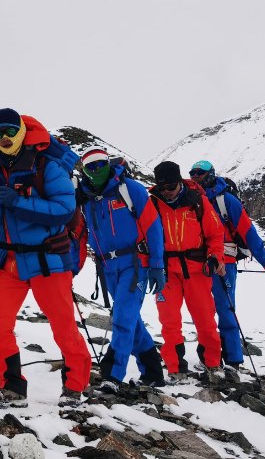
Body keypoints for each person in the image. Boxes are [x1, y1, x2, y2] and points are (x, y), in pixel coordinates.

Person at [0, 108, 91, 408]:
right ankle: (12, 387)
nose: (5, 138)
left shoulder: (46, 165)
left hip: (48, 260)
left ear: (21, 130)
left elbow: (63, 209)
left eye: (10, 131)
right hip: (7, 262)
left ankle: (75, 388)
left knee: (63, 326)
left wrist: (20, 202)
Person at [77, 148, 166, 392]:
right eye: (90, 167)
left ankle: (112, 374)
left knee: (123, 317)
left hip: (134, 262)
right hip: (106, 267)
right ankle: (152, 371)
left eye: (100, 165)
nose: (97, 171)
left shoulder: (131, 190)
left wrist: (157, 264)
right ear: (84, 170)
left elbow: (153, 227)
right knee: (131, 320)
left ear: (109, 164)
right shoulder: (83, 197)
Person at [189, 160, 265, 370]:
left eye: (199, 173)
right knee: (204, 311)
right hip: (199, 263)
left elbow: (249, 233)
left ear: (210, 174)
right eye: (192, 173)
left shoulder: (226, 200)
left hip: (225, 263)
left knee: (226, 309)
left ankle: (233, 359)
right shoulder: (193, 199)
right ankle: (208, 355)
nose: (195, 177)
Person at [150, 161, 225, 380]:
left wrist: (215, 257)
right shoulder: (153, 203)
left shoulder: (198, 202)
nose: (166, 192)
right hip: (166, 271)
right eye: (162, 188)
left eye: (170, 187)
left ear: (179, 182)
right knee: (169, 321)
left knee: (205, 320)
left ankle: (212, 363)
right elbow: (144, 237)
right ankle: (174, 367)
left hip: (197, 270)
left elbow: (215, 234)